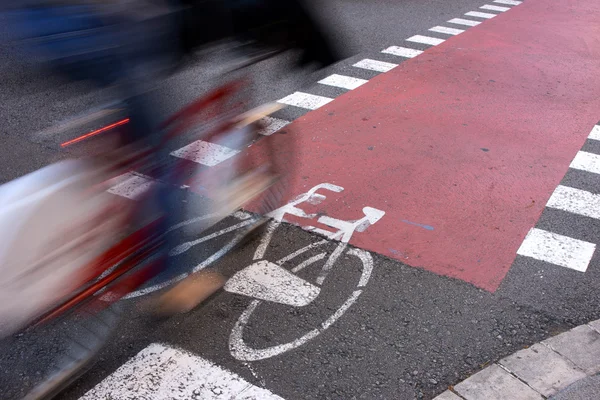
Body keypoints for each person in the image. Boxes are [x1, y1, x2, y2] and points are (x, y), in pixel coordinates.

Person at [2, 0, 343, 315]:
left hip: (41, 28)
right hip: (102, 34)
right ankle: (177, 277)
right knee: (163, 163)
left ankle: (104, 169)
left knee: (127, 131)